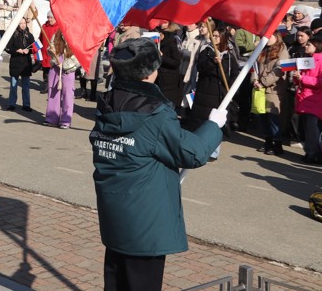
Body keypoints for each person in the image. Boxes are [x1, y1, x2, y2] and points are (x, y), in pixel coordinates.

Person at [91, 38, 226, 291]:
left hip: (115, 211)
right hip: (145, 219)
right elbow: (193, 153)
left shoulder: (107, 104)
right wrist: (213, 125)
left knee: (116, 280)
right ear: (150, 72)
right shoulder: (155, 113)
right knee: (142, 283)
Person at [189, 25, 239, 161]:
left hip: (220, 94)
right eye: (214, 35)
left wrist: (231, 87)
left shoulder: (229, 55)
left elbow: (235, 73)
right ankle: (198, 149)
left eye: (217, 36)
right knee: (202, 122)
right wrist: (212, 62)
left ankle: (214, 151)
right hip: (205, 93)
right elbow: (200, 67)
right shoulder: (207, 51)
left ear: (223, 38)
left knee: (216, 123)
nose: (214, 38)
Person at [292, 36, 322, 165]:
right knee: (308, 129)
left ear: (316, 46)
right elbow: (303, 79)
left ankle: (315, 155)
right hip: (307, 99)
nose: (305, 46)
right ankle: (310, 153)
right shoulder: (309, 60)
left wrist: (302, 79)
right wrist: (297, 78)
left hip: (317, 100)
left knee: (313, 129)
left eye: (308, 45)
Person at [251, 31, 289, 156]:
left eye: (270, 36)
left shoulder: (282, 50)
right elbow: (254, 66)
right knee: (262, 116)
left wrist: (263, 82)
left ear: (276, 37)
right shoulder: (262, 49)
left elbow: (279, 70)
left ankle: (277, 144)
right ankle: (267, 141)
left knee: (273, 116)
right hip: (260, 88)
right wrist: (255, 80)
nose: (266, 39)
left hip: (274, 89)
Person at [46, 30, 80, 128]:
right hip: (55, 67)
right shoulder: (56, 35)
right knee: (53, 93)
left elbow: (78, 57)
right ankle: (52, 117)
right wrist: (51, 51)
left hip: (68, 70)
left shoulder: (76, 37)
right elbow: (50, 48)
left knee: (68, 95)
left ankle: (66, 120)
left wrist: (65, 65)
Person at [5, 17, 35, 112]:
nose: (23, 25)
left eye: (24, 23)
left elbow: (34, 48)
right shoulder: (13, 35)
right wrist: (17, 50)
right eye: (20, 23)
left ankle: (26, 104)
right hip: (15, 62)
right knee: (13, 85)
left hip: (26, 63)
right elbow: (7, 48)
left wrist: (28, 51)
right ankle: (11, 104)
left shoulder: (29, 35)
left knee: (26, 85)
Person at [156, 23, 184, 110]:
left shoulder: (172, 41)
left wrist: (162, 56)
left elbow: (176, 62)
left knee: (167, 106)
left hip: (169, 80)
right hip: (158, 77)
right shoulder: (156, 42)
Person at [40, 13, 60, 90]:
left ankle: (54, 85)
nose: (49, 19)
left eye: (51, 18)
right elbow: (40, 38)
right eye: (48, 17)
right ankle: (46, 85)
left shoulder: (59, 27)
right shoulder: (44, 26)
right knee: (45, 70)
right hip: (45, 51)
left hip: (54, 52)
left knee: (54, 69)